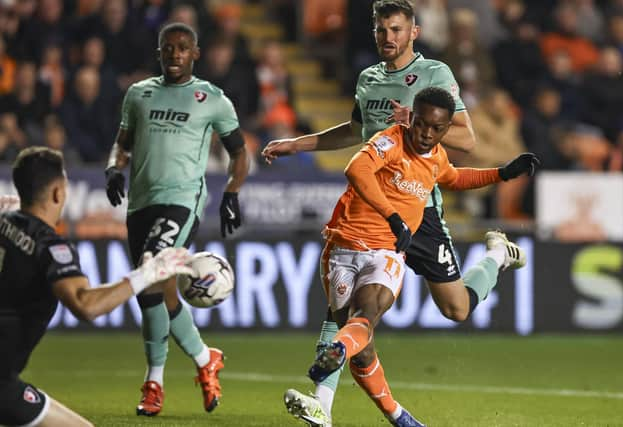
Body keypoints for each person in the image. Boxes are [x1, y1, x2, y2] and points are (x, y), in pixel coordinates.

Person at [260, 0, 482, 424]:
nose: (388, 38)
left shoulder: (435, 75)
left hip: (418, 208)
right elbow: (353, 130)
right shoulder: (368, 78)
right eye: (381, 30)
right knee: (346, 313)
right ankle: (322, 405)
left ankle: (495, 257)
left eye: (396, 30)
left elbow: (467, 139)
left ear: (413, 32)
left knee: (456, 309)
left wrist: (413, 119)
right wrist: (297, 143)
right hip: (368, 208)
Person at [292, 87, 538, 427]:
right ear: (412, 119)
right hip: (342, 248)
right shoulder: (390, 141)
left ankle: (333, 365)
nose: (426, 134)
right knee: (361, 344)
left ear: (445, 128)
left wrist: (501, 173)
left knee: (368, 315)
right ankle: (397, 415)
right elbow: (356, 169)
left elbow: (451, 176)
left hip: (385, 253)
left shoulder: (435, 156)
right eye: (421, 124)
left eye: (436, 129)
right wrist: (393, 215)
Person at [103, 22, 249, 416]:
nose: (175, 54)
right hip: (140, 203)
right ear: (159, 52)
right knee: (158, 290)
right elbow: (123, 141)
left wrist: (231, 192)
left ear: (195, 54)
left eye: (183, 48)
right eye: (168, 48)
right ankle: (205, 359)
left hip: (182, 201)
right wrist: (114, 168)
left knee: (149, 273)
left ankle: (154, 383)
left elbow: (239, 152)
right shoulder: (139, 94)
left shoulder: (212, 99)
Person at [0, 147, 194, 427]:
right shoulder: (51, 247)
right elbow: (85, 305)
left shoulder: (5, 222)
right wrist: (147, 274)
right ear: (57, 193)